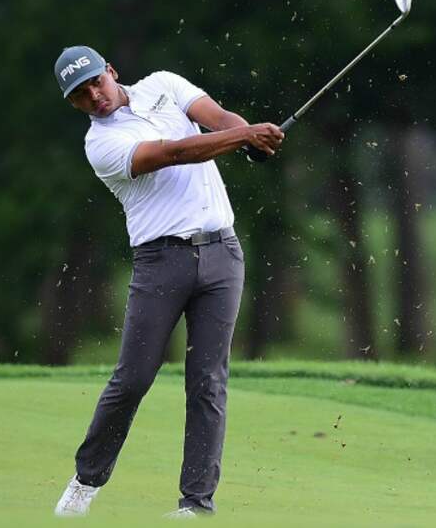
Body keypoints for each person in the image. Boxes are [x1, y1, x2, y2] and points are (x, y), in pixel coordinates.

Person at [51, 46, 284, 519]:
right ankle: (86, 480)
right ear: (73, 103)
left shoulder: (164, 84)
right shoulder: (100, 146)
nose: (94, 96)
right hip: (161, 261)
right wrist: (245, 137)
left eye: (97, 81)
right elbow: (175, 153)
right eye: (80, 94)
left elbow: (218, 118)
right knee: (133, 378)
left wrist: (250, 137)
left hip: (223, 253)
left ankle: (196, 504)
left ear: (112, 72)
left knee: (208, 382)